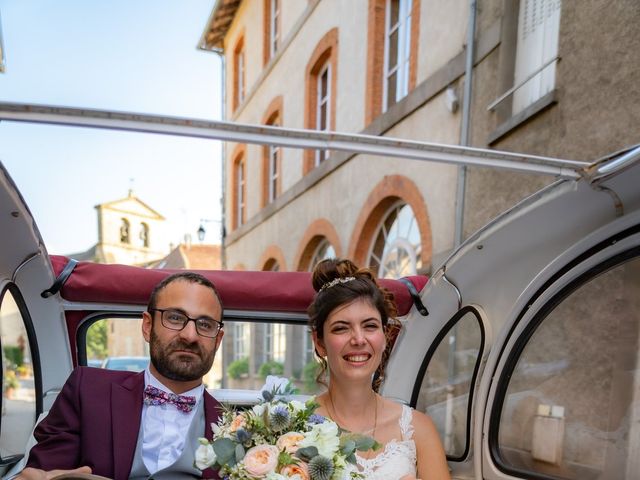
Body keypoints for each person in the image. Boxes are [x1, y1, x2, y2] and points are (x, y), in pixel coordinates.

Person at [17, 272, 225, 480]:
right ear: (147, 326)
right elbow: (44, 471)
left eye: (205, 325)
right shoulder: (86, 390)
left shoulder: (238, 428)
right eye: (175, 318)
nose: (190, 336)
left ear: (217, 340)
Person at [308, 259, 450, 480]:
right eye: (341, 328)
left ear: (385, 337)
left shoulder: (418, 429)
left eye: (370, 326)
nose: (358, 339)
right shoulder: (294, 425)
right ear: (320, 342)